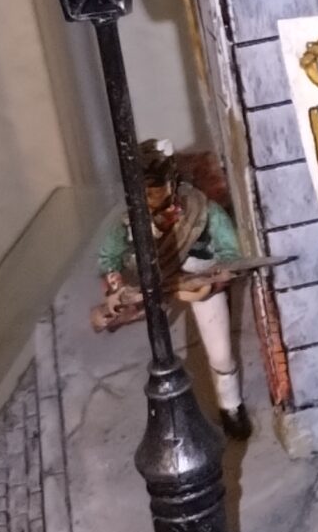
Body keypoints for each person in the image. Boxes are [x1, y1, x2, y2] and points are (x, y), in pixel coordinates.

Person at [96, 144, 252, 439]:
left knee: (221, 355)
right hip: (155, 288)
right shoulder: (130, 225)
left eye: (156, 189)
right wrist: (116, 286)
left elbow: (231, 254)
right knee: (160, 360)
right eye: (144, 191)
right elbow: (108, 259)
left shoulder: (203, 212)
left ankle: (231, 407)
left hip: (201, 284)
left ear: (172, 183)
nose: (151, 198)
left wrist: (217, 278)